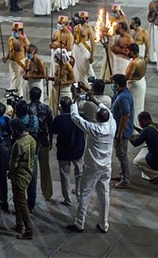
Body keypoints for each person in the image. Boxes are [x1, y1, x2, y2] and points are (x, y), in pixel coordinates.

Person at [65, 97, 115, 233]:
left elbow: (75, 118)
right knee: (104, 194)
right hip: (106, 166)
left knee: (85, 194)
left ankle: (79, 222)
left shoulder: (94, 128)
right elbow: (108, 113)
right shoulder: (112, 125)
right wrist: (95, 100)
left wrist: (74, 102)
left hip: (92, 167)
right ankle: (104, 224)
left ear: (96, 118)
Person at [51, 97, 85, 206]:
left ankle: (68, 199)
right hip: (78, 149)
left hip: (64, 150)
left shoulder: (59, 119)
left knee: (65, 174)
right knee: (79, 172)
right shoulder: (81, 116)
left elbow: (54, 131)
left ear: (61, 107)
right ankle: (79, 195)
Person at [8, 119, 37, 240]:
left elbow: (14, 164)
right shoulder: (31, 139)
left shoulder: (18, 144)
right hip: (28, 173)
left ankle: (28, 229)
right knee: (18, 200)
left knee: (21, 203)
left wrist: (10, 173)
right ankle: (19, 224)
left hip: (19, 176)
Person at [130, 112, 158, 184]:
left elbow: (135, 143)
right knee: (145, 147)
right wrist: (134, 127)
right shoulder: (157, 125)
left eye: (140, 121)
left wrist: (127, 135)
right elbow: (143, 133)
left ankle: (156, 174)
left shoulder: (147, 130)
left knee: (136, 161)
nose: (140, 123)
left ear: (143, 121)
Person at [28, 87, 53, 203]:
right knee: (45, 168)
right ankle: (47, 193)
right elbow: (50, 126)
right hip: (44, 141)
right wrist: (51, 140)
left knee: (32, 169)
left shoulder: (28, 108)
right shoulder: (46, 108)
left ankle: (31, 196)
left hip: (32, 142)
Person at [110, 74, 133, 189]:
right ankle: (122, 174)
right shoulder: (121, 93)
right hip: (119, 128)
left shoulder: (123, 98)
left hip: (122, 131)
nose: (112, 86)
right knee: (120, 153)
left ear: (118, 85)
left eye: (114, 84)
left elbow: (125, 115)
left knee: (122, 154)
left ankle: (125, 179)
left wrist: (120, 133)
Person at [125, 43, 147, 124]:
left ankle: (134, 125)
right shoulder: (142, 59)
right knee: (139, 106)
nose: (126, 53)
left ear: (132, 52)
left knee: (134, 106)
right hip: (141, 82)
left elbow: (127, 77)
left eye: (128, 51)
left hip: (135, 86)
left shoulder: (134, 63)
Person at [72, 11, 96, 82]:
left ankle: (92, 82)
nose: (81, 20)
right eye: (80, 18)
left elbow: (93, 43)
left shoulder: (89, 29)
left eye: (83, 18)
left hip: (85, 49)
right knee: (77, 67)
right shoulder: (76, 27)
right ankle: (79, 83)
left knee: (87, 67)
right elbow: (73, 39)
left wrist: (92, 55)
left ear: (86, 19)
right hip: (76, 49)